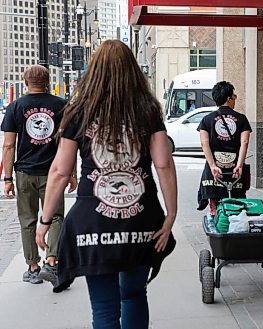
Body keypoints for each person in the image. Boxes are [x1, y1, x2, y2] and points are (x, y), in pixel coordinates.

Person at [35, 40, 178, 328]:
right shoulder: (148, 109)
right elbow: (163, 162)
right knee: (135, 294)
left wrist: (45, 219)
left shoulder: (78, 111)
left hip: (93, 224)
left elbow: (60, 172)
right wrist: (170, 214)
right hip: (141, 218)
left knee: (103, 308)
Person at [1, 64, 76, 285]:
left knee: (27, 219)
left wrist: (7, 179)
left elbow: (8, 146)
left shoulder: (15, 107)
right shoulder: (61, 105)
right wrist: (72, 172)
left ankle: (32, 266)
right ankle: (52, 261)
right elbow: (68, 143)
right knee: (55, 217)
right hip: (54, 172)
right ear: (48, 82)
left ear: (26, 83)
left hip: (24, 172)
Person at [197, 81, 252, 215]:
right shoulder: (242, 119)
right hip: (234, 170)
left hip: (215, 170)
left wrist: (212, 166)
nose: (235, 98)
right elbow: (244, 142)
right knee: (237, 207)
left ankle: (217, 228)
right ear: (228, 98)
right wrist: (239, 165)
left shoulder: (206, 120)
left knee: (215, 208)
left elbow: (205, 144)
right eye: (234, 96)